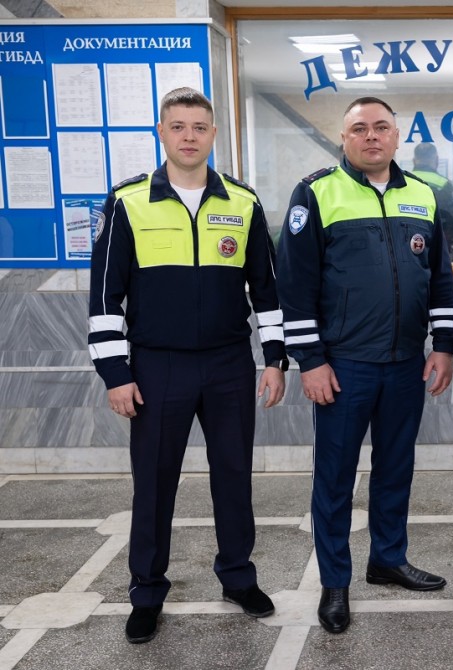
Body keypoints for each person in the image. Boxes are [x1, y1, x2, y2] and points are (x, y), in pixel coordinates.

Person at [87, 87, 286, 644]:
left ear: (213, 134)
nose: (189, 136)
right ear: (161, 132)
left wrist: (275, 359)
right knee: (154, 484)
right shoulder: (127, 202)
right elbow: (104, 296)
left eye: (199, 127)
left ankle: (238, 577)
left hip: (229, 364)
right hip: (157, 367)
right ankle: (147, 591)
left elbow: (267, 290)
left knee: (234, 475)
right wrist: (116, 373)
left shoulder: (242, 203)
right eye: (178, 126)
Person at [276, 96, 453, 635]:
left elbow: (439, 279)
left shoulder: (422, 194)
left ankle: (388, 559)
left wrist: (444, 345)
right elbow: (295, 286)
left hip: (405, 364)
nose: (371, 136)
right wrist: (310, 361)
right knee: (335, 477)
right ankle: (335, 582)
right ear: (344, 137)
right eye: (360, 128)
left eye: (381, 127)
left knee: (395, 468)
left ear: (397, 137)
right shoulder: (316, 193)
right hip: (343, 366)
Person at [412, 142, 453, 261]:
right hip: (436, 250)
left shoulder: (401, 182)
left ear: (414, 161)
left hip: (407, 251)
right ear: (437, 160)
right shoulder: (444, 185)